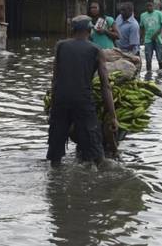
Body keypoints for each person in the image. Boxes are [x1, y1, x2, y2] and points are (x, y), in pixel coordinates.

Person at [47, 15, 118, 168]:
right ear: (89, 30)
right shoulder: (96, 49)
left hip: (61, 100)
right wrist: (113, 117)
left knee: (55, 156)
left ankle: (54, 184)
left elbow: (55, 80)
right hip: (83, 101)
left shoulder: (60, 46)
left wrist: (53, 108)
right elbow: (106, 85)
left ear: (72, 30)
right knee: (98, 155)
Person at [140, 2, 162, 72]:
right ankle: (148, 73)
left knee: (159, 57)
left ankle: (161, 70)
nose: (149, 7)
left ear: (153, 6)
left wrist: (156, 34)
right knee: (148, 58)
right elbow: (141, 27)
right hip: (148, 39)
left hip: (158, 38)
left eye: (150, 6)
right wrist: (142, 37)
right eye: (147, 6)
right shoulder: (143, 15)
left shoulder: (159, 14)